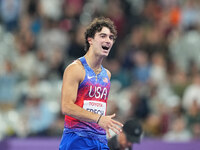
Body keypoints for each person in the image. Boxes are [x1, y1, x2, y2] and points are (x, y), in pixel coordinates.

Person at [59, 17, 123, 150]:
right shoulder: (75, 69)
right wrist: (99, 118)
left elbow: (94, 106)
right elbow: (66, 107)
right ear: (90, 40)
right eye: (103, 36)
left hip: (99, 140)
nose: (108, 40)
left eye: (111, 37)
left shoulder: (107, 75)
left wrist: (104, 121)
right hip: (77, 139)